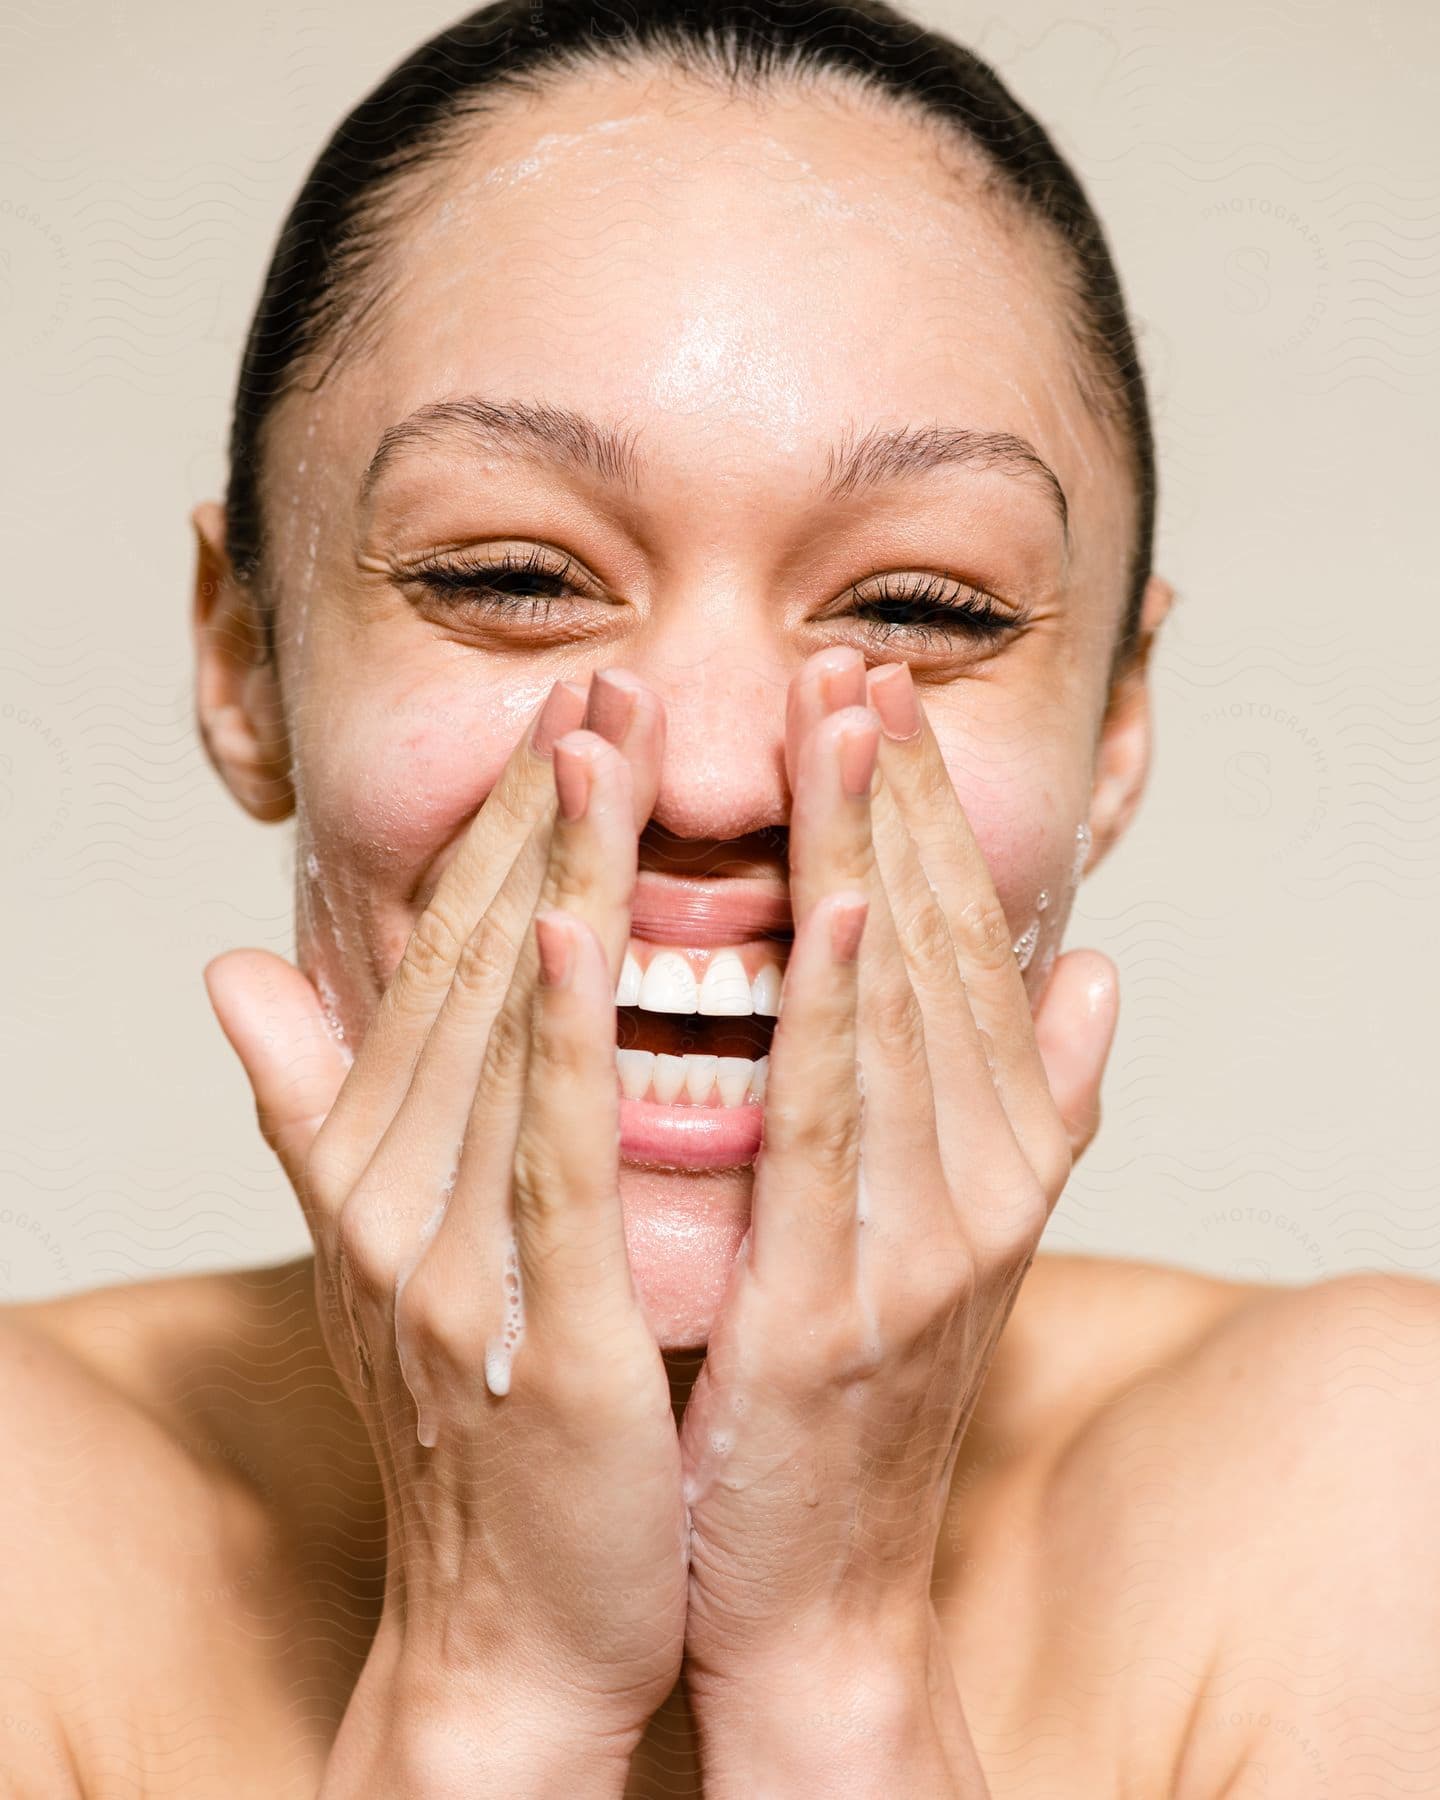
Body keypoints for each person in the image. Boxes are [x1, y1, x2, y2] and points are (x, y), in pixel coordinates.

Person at [3, 3, 1436, 1795]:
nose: (703, 778)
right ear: (243, 659)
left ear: (1118, 729)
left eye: (924, 610)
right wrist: (492, 1687)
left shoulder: (1377, 1506)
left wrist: (839, 1672)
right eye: (511, 575)